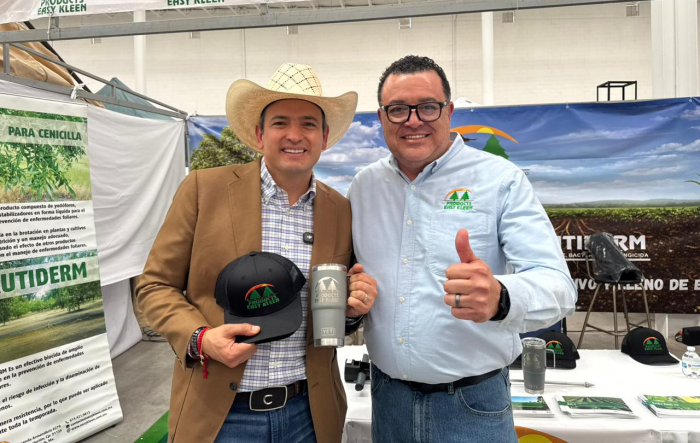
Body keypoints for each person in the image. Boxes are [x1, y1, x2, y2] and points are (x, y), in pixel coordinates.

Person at [137, 63, 378, 443]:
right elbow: (154, 286)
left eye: (308, 124)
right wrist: (201, 339)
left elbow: (333, 309)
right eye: (281, 123)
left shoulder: (339, 209)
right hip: (221, 414)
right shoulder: (204, 190)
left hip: (309, 414)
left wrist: (352, 312)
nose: (294, 135)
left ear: (324, 137)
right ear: (259, 134)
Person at [347, 55, 577, 443]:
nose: (413, 121)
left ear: (449, 111)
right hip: (387, 401)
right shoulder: (363, 187)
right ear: (382, 117)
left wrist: (501, 297)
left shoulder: (500, 180)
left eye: (427, 107)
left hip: (473, 406)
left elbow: (559, 286)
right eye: (398, 109)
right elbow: (352, 282)